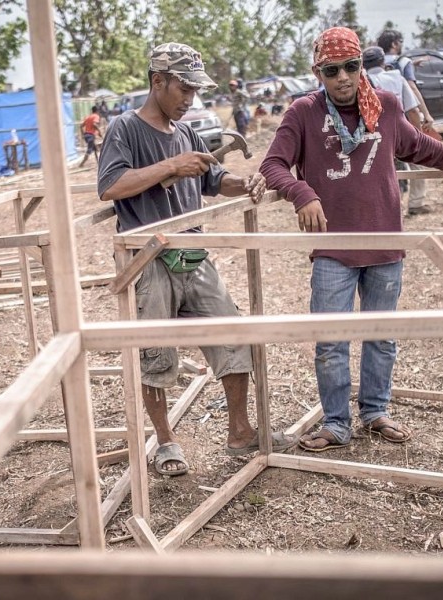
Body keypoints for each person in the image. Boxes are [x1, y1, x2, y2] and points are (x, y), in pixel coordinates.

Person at [259, 27, 443, 452]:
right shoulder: (304, 112)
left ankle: (375, 410)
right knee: (330, 340)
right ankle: (336, 423)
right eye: (332, 71)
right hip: (333, 248)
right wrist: (302, 192)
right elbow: (273, 164)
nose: (344, 77)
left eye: (351, 66)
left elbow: (422, 147)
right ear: (319, 73)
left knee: (381, 334)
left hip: (385, 244)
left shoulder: (384, 106)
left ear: (360, 66)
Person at [98, 42, 299, 476]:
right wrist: (169, 166)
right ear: (157, 82)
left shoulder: (186, 133)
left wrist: (243, 184)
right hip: (147, 259)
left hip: (193, 254)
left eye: (195, 90)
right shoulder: (125, 129)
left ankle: (241, 432)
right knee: (155, 356)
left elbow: (212, 178)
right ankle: (166, 442)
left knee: (233, 335)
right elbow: (111, 186)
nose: (190, 99)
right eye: (183, 88)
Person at [378, 29, 434, 216]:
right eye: (400, 41)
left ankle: (391, 207)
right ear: (394, 44)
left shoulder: (373, 63)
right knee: (416, 160)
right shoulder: (403, 62)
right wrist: (425, 114)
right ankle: (416, 203)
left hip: (379, 126)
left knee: (388, 166)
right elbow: (411, 86)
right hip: (403, 121)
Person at [362, 45, 421, 198]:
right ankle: (410, 204)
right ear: (383, 61)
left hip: (371, 143)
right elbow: (413, 110)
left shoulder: (360, 84)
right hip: (396, 139)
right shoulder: (396, 78)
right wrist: (418, 137)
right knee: (400, 178)